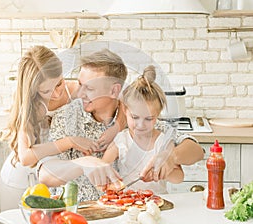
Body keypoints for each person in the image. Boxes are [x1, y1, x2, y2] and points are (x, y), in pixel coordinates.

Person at [38, 48, 204, 201]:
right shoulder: (66, 118)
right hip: (80, 213)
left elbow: (195, 149)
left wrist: (170, 157)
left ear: (114, 91)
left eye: (89, 88)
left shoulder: (138, 119)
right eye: (80, 84)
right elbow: (45, 174)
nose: (79, 93)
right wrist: (84, 163)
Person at [0, 45, 99, 211]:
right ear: (33, 89)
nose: (56, 94)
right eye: (46, 90)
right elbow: (26, 157)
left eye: (59, 84)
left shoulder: (73, 89)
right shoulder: (33, 107)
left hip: (49, 177)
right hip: (22, 177)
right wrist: (70, 142)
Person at [102, 65, 184, 194]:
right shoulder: (121, 140)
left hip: (158, 202)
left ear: (157, 115)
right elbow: (102, 167)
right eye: (135, 117)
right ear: (125, 110)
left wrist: (162, 172)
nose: (140, 125)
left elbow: (179, 178)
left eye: (148, 119)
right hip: (128, 202)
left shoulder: (163, 142)